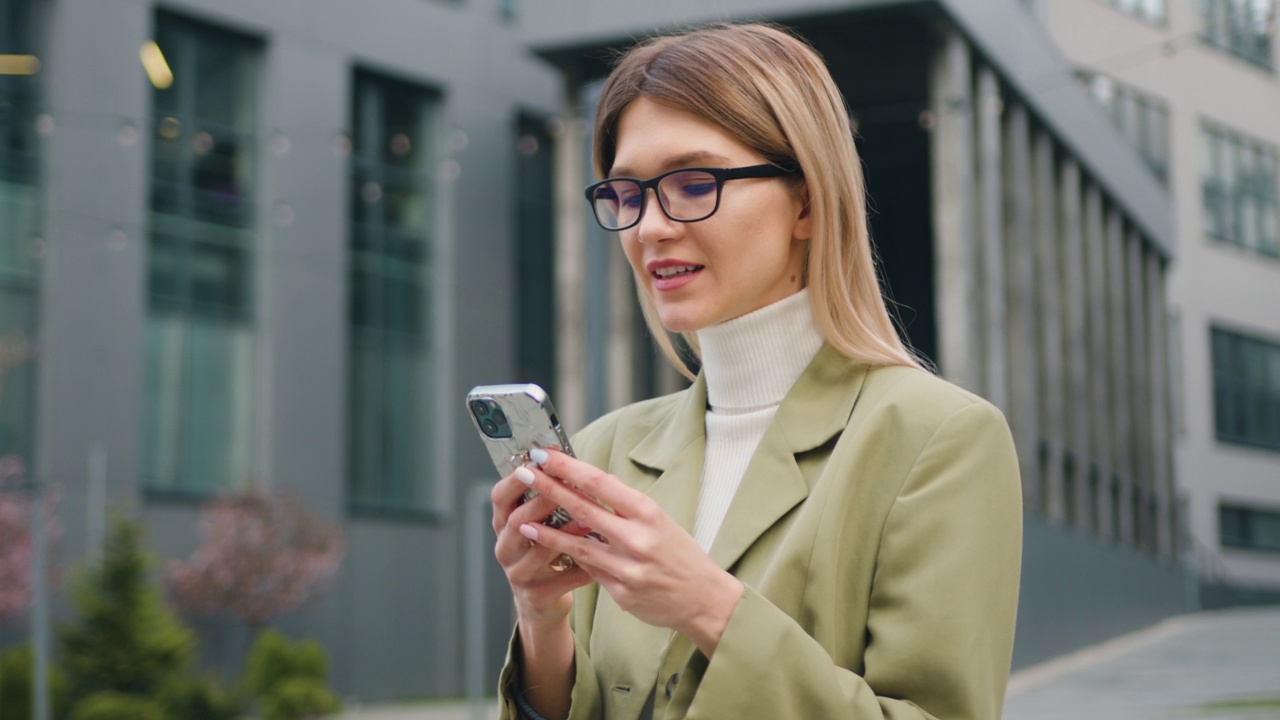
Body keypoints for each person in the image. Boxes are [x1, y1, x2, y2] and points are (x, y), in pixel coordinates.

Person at [490, 22, 1021, 720]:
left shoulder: (938, 439)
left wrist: (710, 607)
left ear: (806, 200)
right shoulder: (606, 449)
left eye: (691, 182)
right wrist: (541, 619)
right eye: (627, 195)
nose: (649, 227)